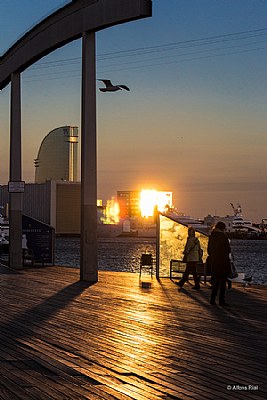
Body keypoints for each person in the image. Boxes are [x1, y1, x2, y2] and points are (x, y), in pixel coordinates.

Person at [208, 221, 231, 306]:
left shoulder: (212, 236)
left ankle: (212, 299)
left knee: (216, 280)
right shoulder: (223, 237)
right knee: (222, 282)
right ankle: (221, 300)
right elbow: (228, 250)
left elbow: (209, 250)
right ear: (222, 228)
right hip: (223, 261)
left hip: (215, 261)